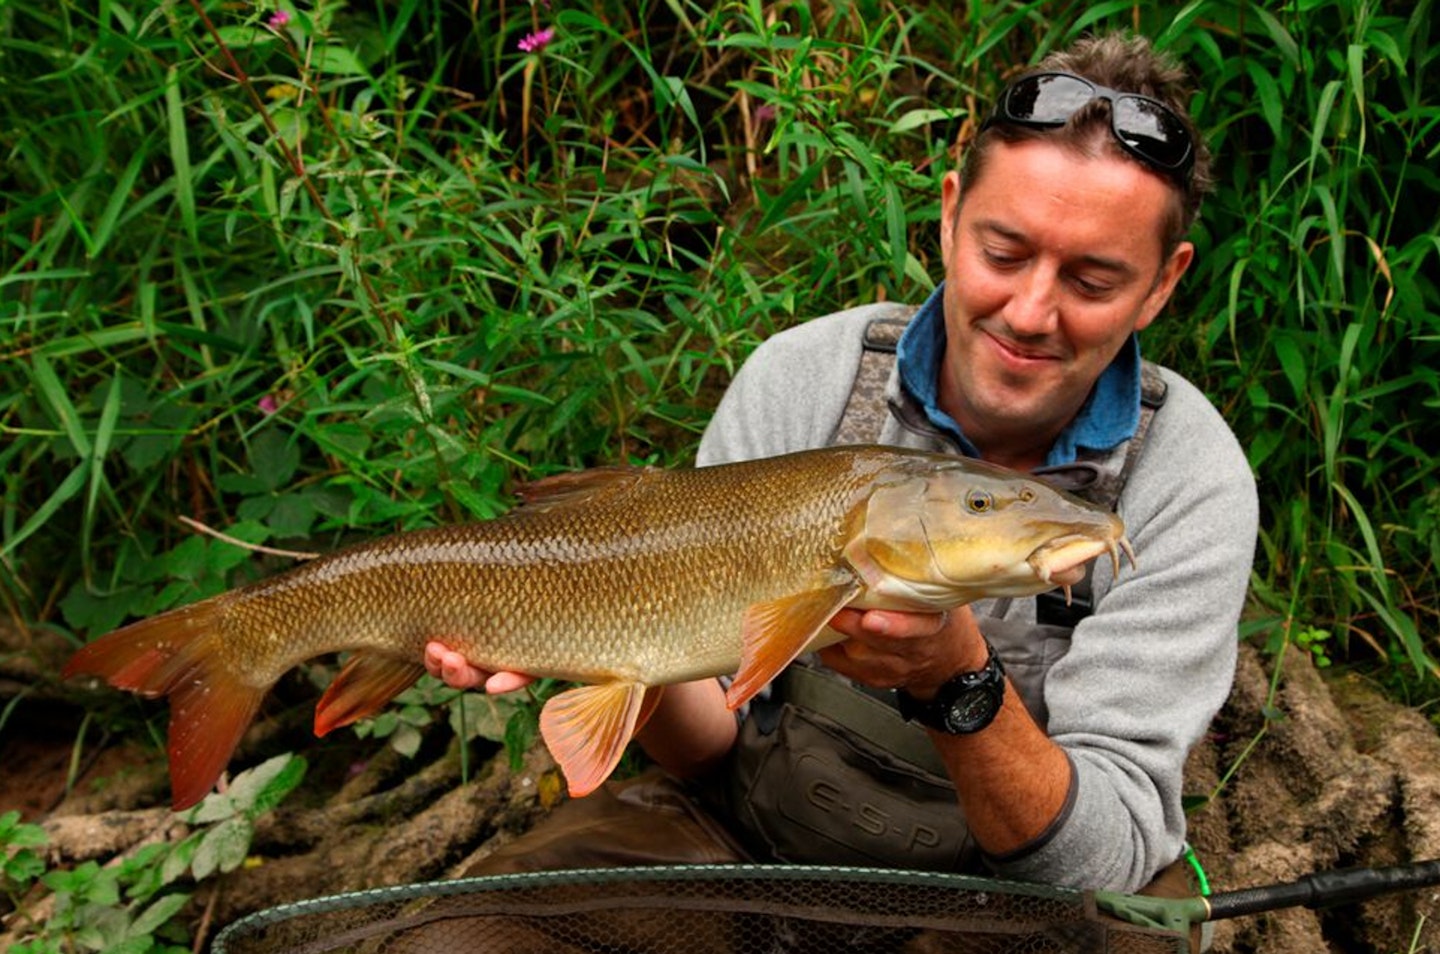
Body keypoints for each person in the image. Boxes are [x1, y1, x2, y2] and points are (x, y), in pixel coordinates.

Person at [424, 31, 1257, 897]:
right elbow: (711, 746)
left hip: (1011, 896)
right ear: (947, 215)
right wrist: (608, 647)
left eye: (1091, 281)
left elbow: (1103, 864)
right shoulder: (807, 378)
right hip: (755, 833)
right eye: (1002, 254)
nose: (1030, 311)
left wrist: (957, 683)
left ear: (1162, 284)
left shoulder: (1188, 485)